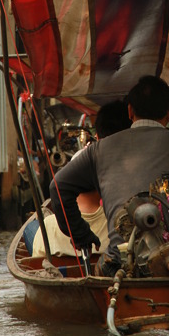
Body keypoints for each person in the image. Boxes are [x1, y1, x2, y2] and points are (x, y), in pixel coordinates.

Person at [49, 75, 169, 277]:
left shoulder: (98, 150)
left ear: (130, 111)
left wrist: (81, 235)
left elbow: (58, 187)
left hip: (121, 265)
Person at [24, 99, 131, 258]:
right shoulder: (120, 223)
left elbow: (37, 264)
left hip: (59, 239)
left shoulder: (49, 227)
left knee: (31, 228)